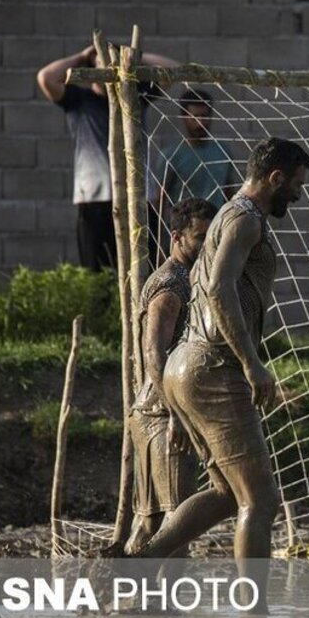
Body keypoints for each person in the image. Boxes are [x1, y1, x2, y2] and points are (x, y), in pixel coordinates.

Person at [131, 138, 309, 597]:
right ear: (275, 178)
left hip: (187, 368)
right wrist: (251, 364)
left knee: (227, 493)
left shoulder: (230, 216)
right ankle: (255, 615)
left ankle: (140, 563)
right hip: (213, 367)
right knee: (261, 500)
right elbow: (217, 288)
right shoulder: (245, 218)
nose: (298, 193)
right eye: (296, 184)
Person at [100, 198, 218, 557]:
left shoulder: (191, 278)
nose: (206, 245)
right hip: (162, 416)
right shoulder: (170, 284)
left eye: (211, 237)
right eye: (199, 237)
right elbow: (154, 353)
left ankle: (129, 596)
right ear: (176, 237)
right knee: (176, 523)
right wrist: (177, 415)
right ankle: (165, 608)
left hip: (158, 413)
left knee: (151, 521)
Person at [36, 42, 176, 272]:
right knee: (96, 273)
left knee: (145, 270)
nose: (109, 68)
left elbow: (172, 71)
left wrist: (135, 56)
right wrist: (81, 56)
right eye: (103, 63)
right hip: (96, 199)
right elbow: (46, 78)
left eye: (115, 63)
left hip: (137, 198)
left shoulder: (135, 97)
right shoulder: (79, 100)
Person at [152, 90, 240, 212]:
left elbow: (229, 193)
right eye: (194, 117)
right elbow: (160, 200)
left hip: (216, 225)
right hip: (185, 226)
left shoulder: (222, 151)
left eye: (204, 116)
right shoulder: (171, 155)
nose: (200, 122)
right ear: (184, 117)